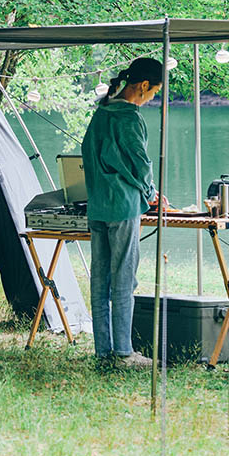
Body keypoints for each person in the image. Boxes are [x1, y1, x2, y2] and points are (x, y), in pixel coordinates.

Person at [81, 57, 164, 370]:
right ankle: (124, 352)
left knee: (99, 280)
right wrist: (151, 195)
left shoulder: (100, 113)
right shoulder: (131, 117)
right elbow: (141, 164)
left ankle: (103, 351)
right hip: (124, 205)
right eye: (154, 92)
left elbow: (87, 159)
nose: (153, 98)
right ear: (142, 86)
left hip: (98, 205)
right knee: (124, 279)